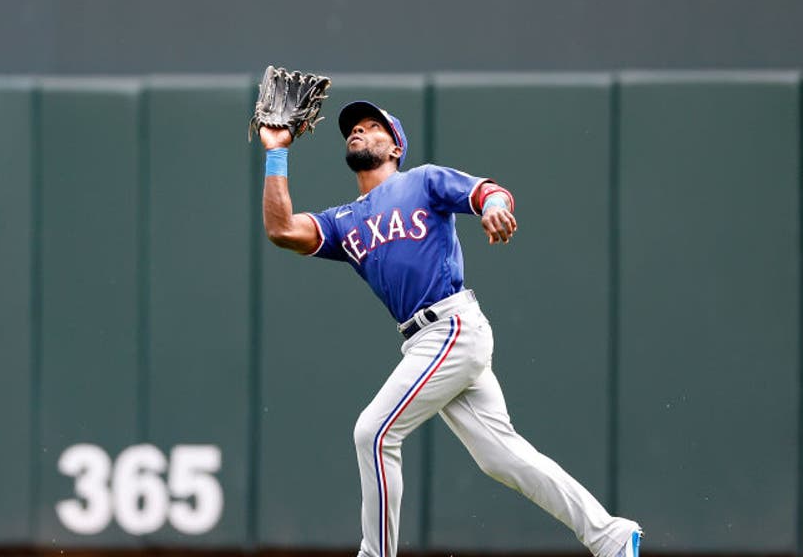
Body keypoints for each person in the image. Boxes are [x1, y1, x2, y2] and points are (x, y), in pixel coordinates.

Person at [259, 101, 642, 557]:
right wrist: (277, 151)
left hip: (451, 326)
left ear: (396, 144)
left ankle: (375, 554)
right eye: (354, 129)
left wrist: (496, 207)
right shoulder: (343, 221)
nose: (360, 131)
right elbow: (282, 229)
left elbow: (487, 192)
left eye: (373, 126)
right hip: (426, 339)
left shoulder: (421, 180)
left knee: (374, 433)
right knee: (500, 456)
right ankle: (611, 535)